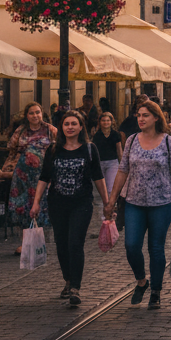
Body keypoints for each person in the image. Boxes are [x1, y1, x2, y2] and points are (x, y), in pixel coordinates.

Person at [104, 100, 171, 309]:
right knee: (131, 245)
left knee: (155, 248)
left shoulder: (169, 143)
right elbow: (123, 170)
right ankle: (142, 281)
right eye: (139, 115)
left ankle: (156, 291)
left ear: (155, 118)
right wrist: (112, 200)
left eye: (145, 115)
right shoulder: (132, 141)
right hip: (134, 202)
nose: (140, 119)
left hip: (162, 202)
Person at [31, 110, 109, 307]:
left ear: (81, 127)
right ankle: (67, 279)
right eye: (66, 124)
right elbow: (44, 177)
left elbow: (98, 177)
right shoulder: (53, 150)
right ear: (61, 127)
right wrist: (36, 201)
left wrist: (108, 203)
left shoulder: (89, 149)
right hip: (57, 203)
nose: (70, 127)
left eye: (74, 124)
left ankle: (75, 287)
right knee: (61, 244)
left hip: (81, 203)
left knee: (75, 243)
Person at [6, 103, 57, 253]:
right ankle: (26, 243)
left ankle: (37, 243)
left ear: (42, 113)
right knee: (23, 207)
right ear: (26, 116)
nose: (35, 116)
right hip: (23, 175)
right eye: (31, 113)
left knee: (40, 206)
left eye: (38, 112)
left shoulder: (50, 130)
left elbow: (60, 147)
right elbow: (11, 146)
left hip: (42, 174)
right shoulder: (21, 130)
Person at [90, 111, 124, 237]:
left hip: (112, 163)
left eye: (108, 120)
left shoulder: (115, 135)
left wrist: (122, 165)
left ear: (111, 122)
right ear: (100, 122)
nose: (106, 123)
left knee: (110, 190)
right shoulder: (97, 135)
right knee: (99, 193)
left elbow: (119, 150)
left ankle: (111, 217)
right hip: (99, 163)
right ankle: (103, 220)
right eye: (103, 120)